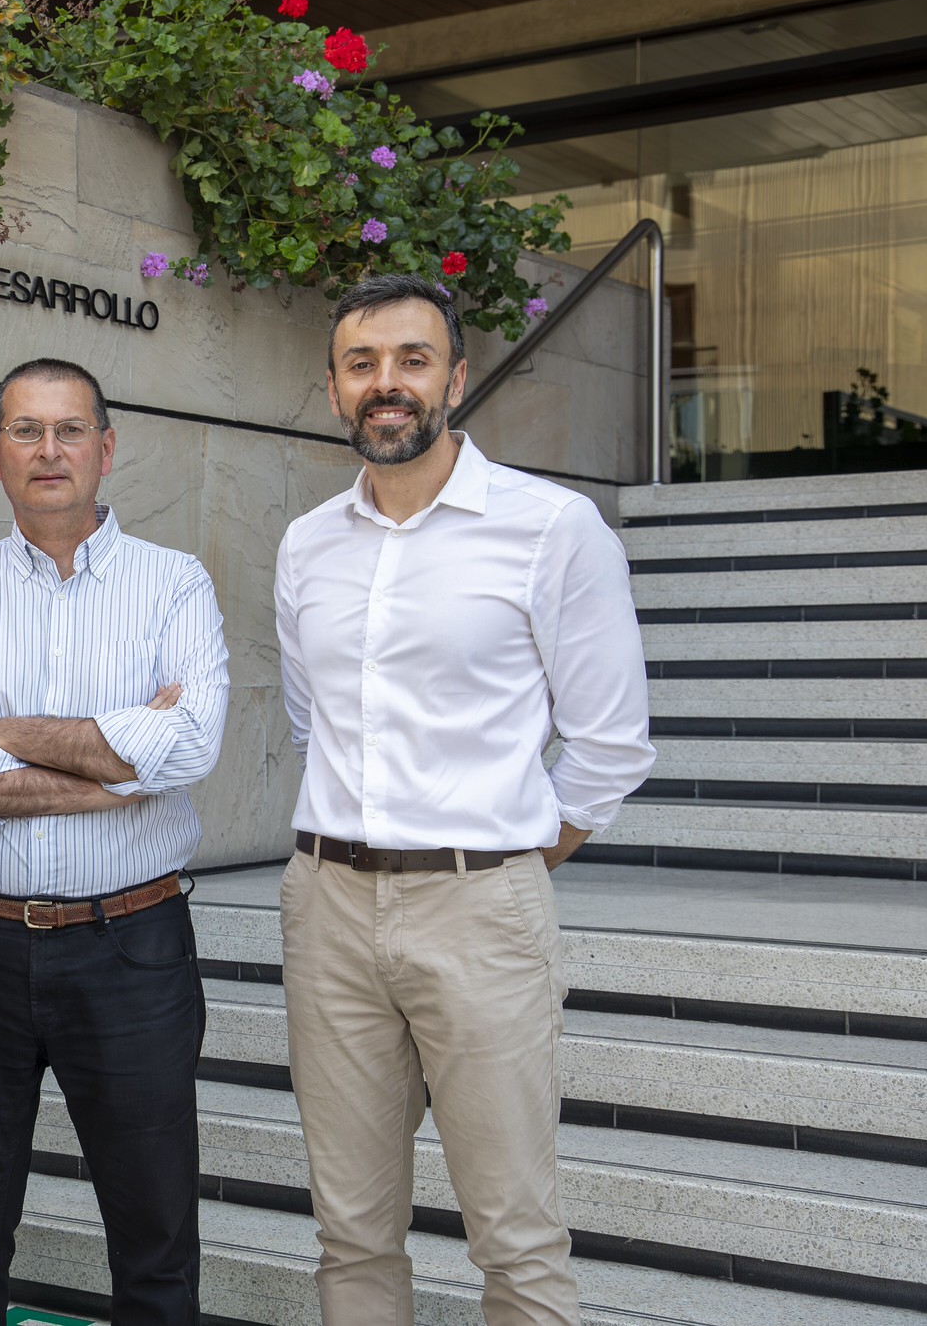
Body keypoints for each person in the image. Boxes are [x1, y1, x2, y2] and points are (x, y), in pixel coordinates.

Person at [274, 273, 655, 1325]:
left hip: (481, 907)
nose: (385, 383)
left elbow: (609, 743)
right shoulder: (307, 542)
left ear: (455, 376)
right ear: (332, 388)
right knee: (350, 1230)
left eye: (412, 358)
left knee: (515, 1237)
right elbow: (313, 723)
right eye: (361, 364)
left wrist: (504, 857)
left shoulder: (550, 527)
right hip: (328, 906)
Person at [0, 357, 230, 1326]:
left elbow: (190, 745)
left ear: (105, 449)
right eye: (25, 431)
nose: (49, 450)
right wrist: (116, 766)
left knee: (155, 1241)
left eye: (69, 429)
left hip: (131, 948)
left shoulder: (174, 585)